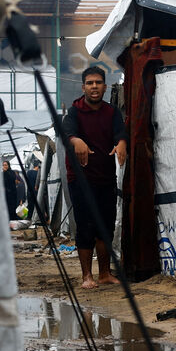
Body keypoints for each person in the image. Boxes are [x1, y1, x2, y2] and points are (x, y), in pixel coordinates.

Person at [62, 66, 127, 289]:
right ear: (83, 87)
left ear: (105, 87)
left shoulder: (112, 112)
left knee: (106, 226)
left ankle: (105, 273)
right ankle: (87, 276)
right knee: (86, 226)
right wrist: (76, 140)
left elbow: (120, 133)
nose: (94, 87)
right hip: (80, 180)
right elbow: (66, 133)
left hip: (106, 178)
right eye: (90, 83)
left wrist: (121, 144)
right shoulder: (74, 112)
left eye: (98, 83)